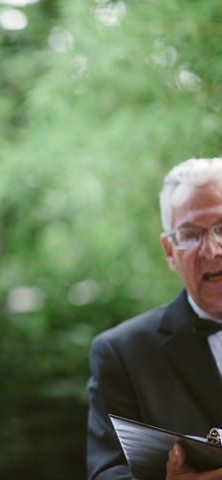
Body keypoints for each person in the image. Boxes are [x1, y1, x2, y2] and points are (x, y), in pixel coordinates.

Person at [86, 157, 222, 479]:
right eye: (190, 235)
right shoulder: (123, 352)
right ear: (169, 251)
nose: (212, 250)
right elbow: (105, 473)